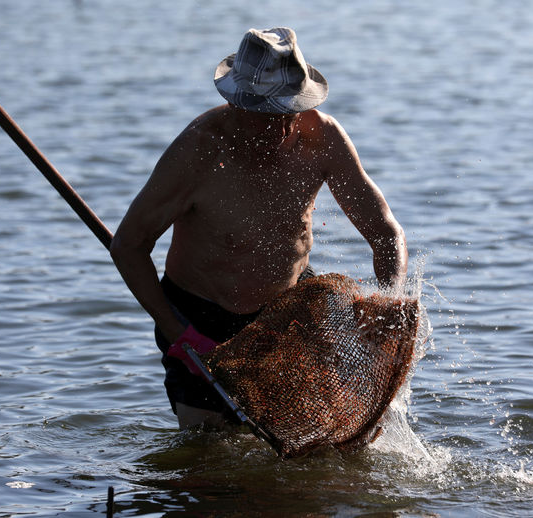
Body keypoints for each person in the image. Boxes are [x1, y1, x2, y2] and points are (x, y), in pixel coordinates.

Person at [110, 27, 408, 429]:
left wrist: (391, 298)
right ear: (236, 103)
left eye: (288, 111)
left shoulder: (323, 139)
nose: (279, 128)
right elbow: (129, 245)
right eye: (264, 115)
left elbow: (386, 233)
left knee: (306, 447)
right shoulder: (198, 149)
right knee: (208, 453)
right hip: (200, 318)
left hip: (285, 313)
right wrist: (178, 332)